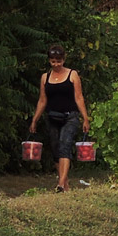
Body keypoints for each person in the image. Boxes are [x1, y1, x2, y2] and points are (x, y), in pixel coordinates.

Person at [29, 44, 90, 193]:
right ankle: (65, 183)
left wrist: (85, 118)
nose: (56, 64)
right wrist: (34, 120)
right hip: (52, 116)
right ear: (49, 61)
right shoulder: (45, 77)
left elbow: (79, 97)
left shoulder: (72, 75)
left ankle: (61, 183)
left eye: (59, 61)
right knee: (56, 148)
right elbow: (42, 100)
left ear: (64, 60)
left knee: (65, 145)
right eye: (53, 61)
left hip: (71, 116)